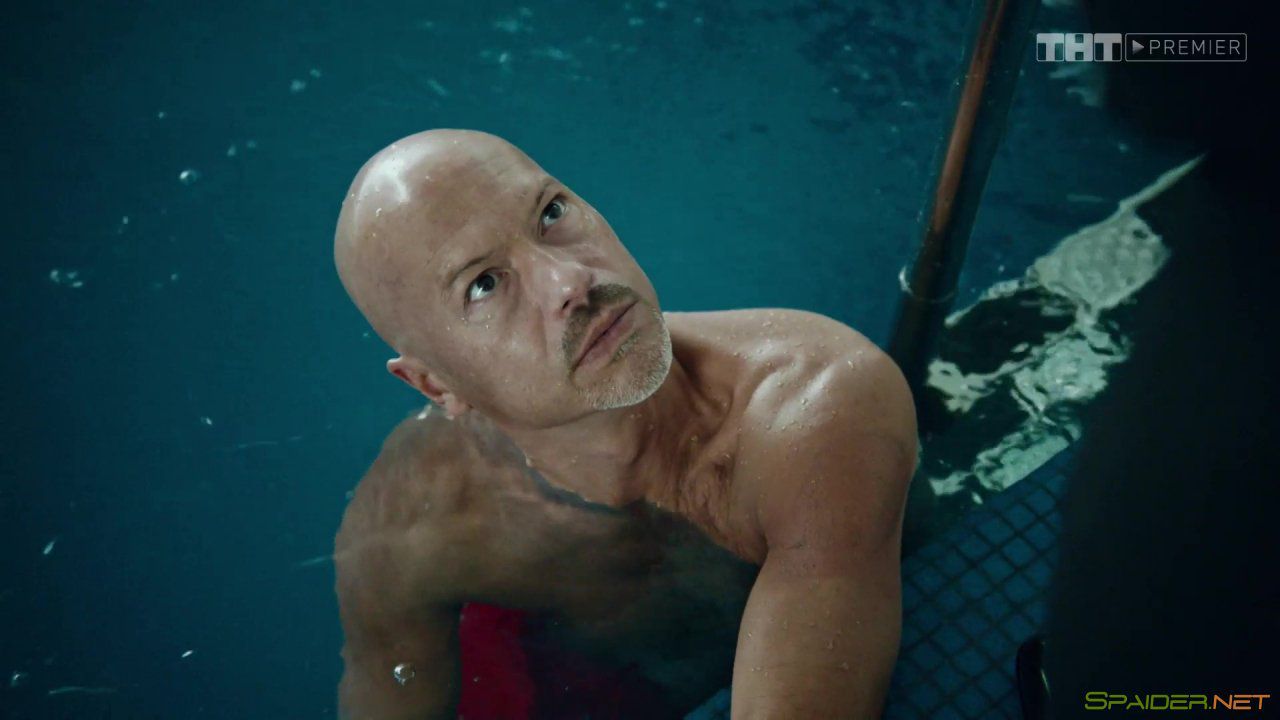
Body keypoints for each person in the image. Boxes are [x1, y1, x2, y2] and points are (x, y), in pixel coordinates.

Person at [330, 129, 918, 719]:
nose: (569, 280)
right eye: (484, 284)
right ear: (437, 385)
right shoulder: (413, 529)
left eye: (550, 213)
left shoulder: (812, 410)